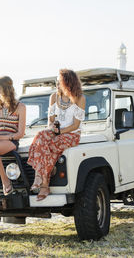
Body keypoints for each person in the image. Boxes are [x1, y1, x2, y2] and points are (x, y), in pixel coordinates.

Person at [27, 69, 86, 201]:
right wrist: (53, 128)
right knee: (40, 135)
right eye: (57, 81)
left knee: (51, 144)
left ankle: (42, 180)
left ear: (68, 82)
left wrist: (59, 132)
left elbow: (76, 125)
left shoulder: (80, 98)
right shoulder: (54, 97)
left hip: (72, 135)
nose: (57, 84)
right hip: (56, 132)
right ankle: (42, 181)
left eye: (59, 81)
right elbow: (50, 121)